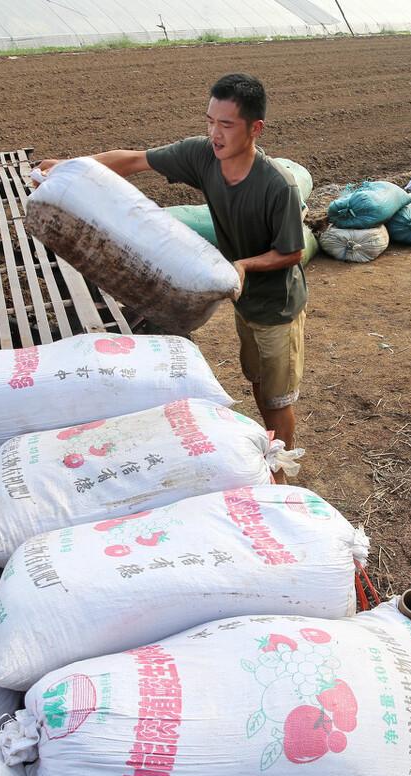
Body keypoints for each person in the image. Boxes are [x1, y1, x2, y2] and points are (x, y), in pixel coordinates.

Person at [38, 74, 306, 478]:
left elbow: (293, 251)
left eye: (226, 125)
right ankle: (268, 452)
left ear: (256, 129)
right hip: (242, 299)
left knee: (276, 399)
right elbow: (131, 160)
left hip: (276, 308)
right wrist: (70, 169)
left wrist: (245, 265)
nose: (215, 133)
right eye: (210, 121)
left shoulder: (277, 186)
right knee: (256, 382)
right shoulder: (203, 157)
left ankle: (280, 474)